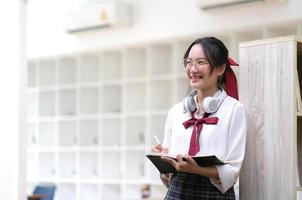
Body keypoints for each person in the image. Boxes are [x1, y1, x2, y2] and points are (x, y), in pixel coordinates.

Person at [151, 37, 247, 199]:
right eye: (189, 62)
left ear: (220, 69)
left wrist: (196, 169)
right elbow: (168, 176)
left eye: (201, 62)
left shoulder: (234, 110)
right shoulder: (176, 111)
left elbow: (232, 171)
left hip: (212, 194)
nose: (192, 69)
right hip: (177, 192)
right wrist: (163, 162)